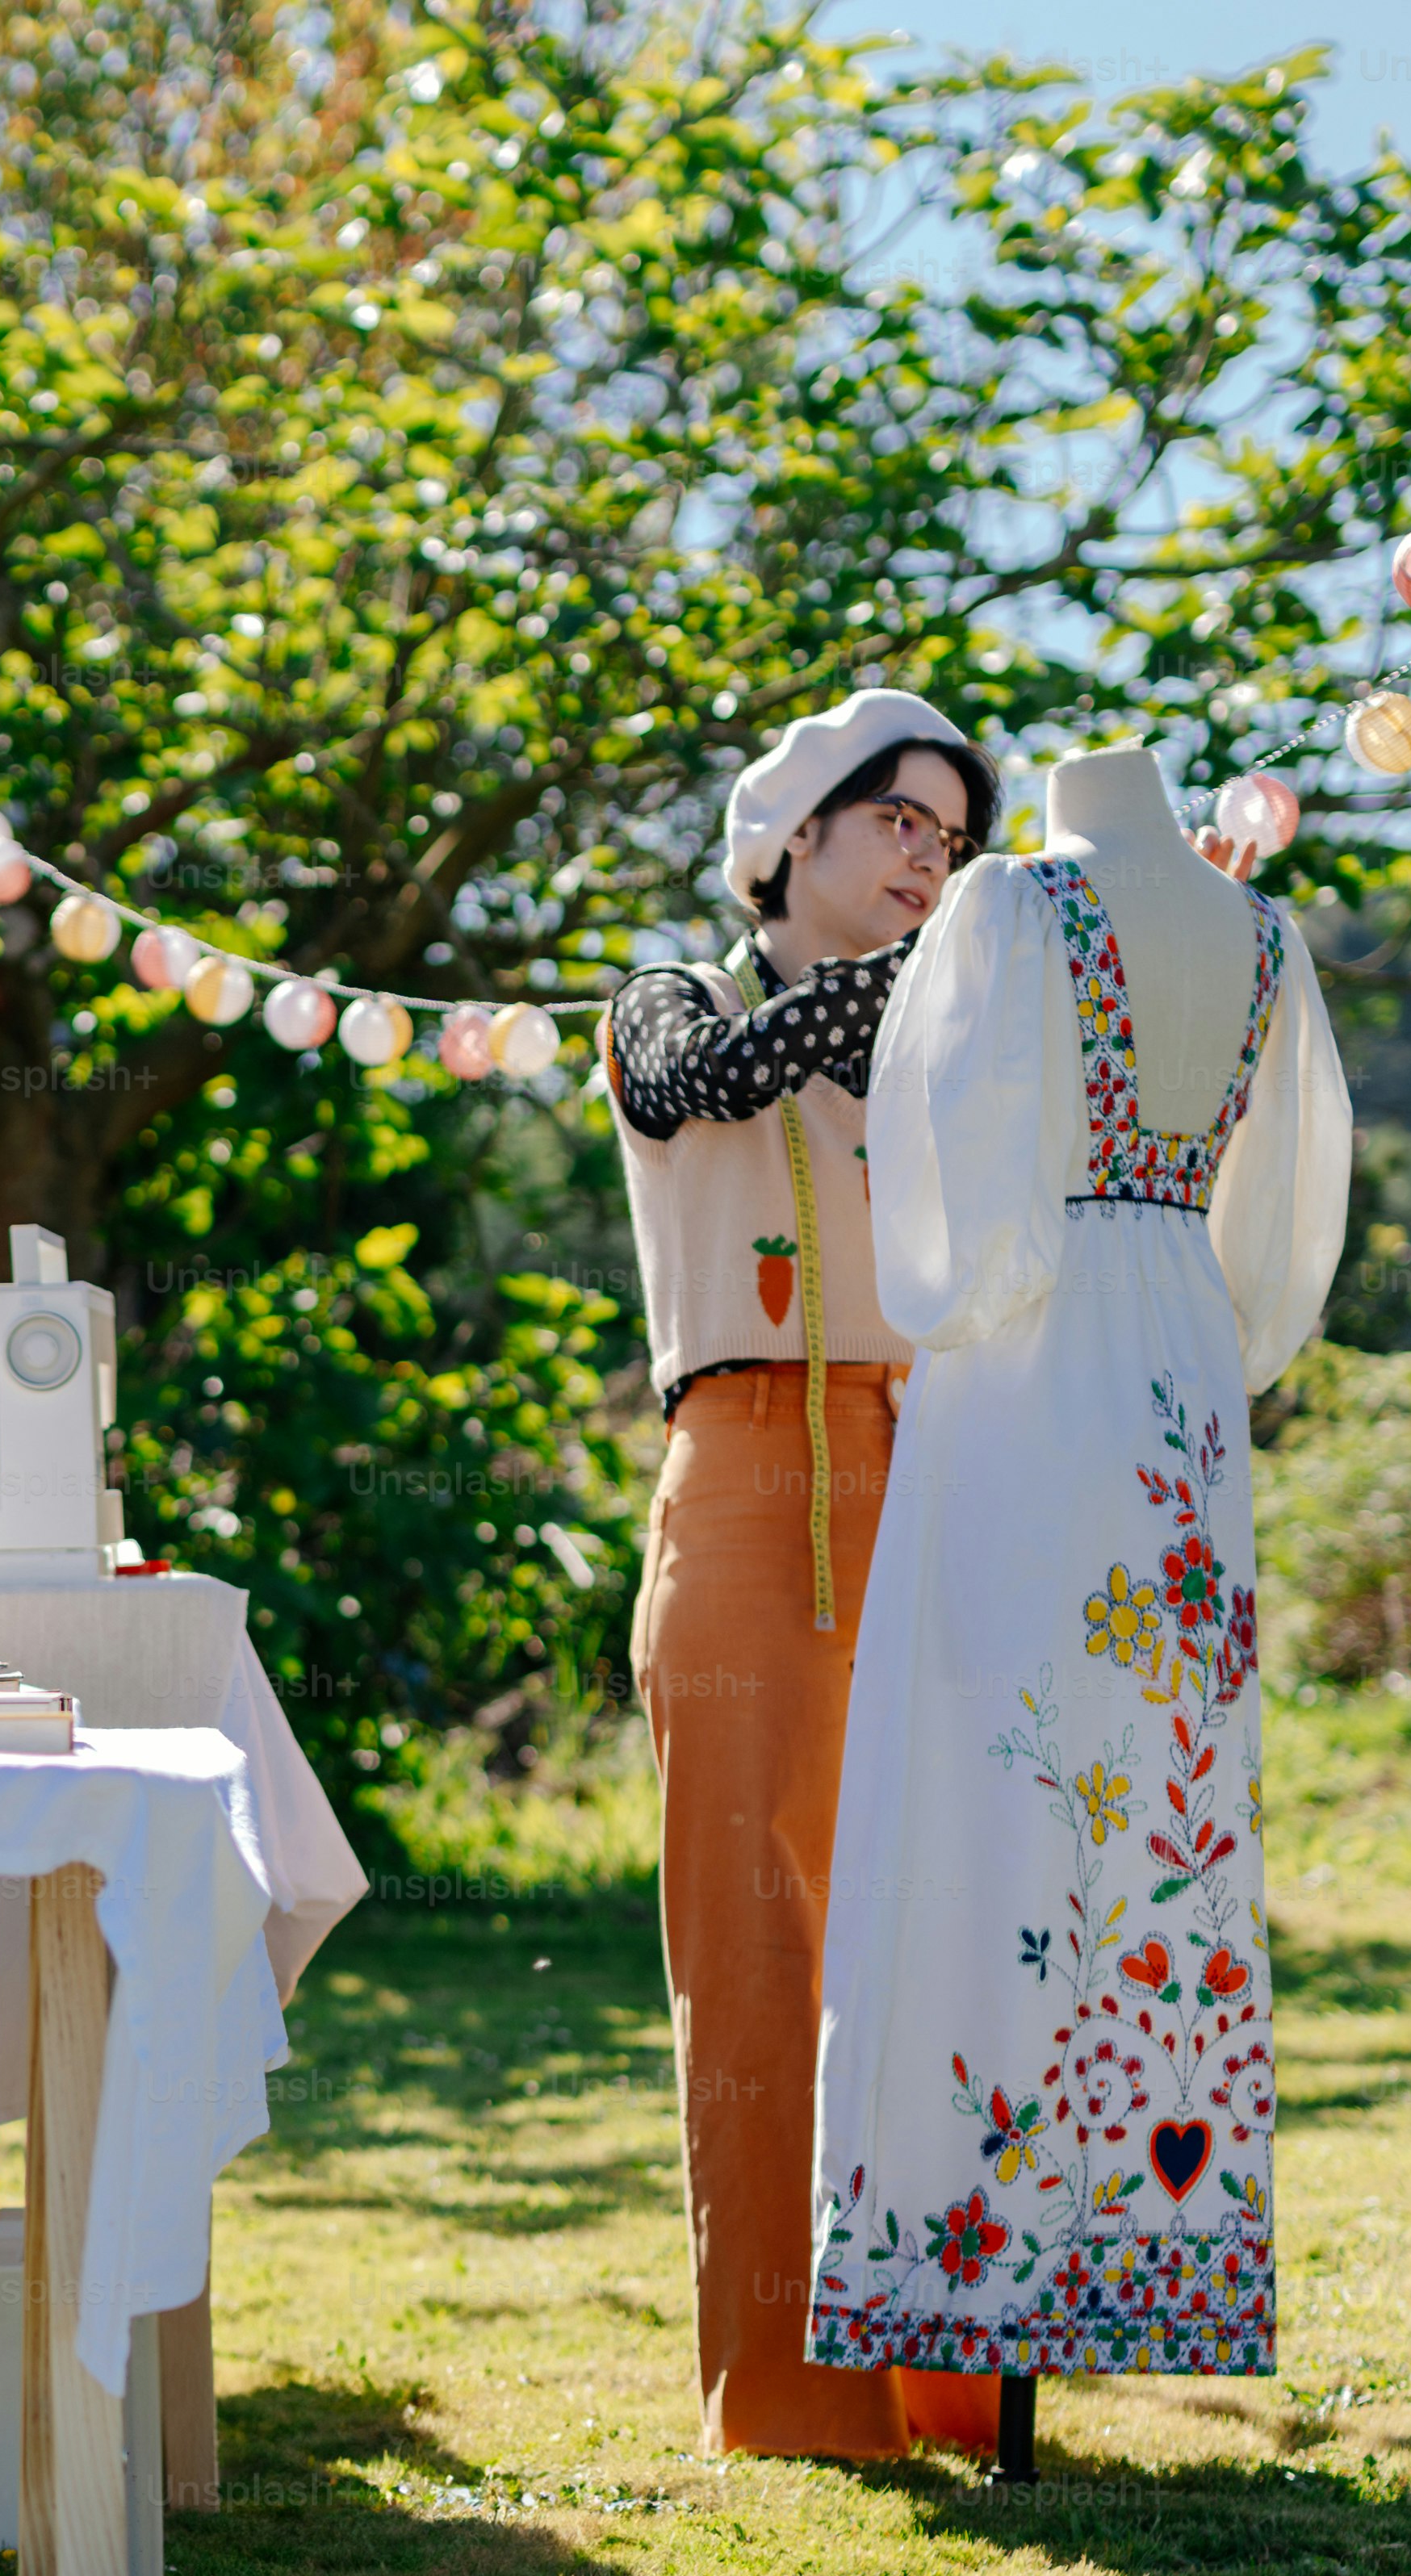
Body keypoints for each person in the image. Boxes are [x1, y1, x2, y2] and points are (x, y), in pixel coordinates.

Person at [802, 740, 1348, 2398]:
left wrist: (990, 1282)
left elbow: (943, 1192)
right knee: (1153, 1785)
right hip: (1176, 1361)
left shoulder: (1005, 905)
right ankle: (1130, 2246)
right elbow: (1290, 1215)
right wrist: (1197, 1299)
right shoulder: (1261, 938)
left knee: (983, 1778)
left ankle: (967, 2244)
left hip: (1024, 1369)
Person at [601, 686, 1003, 2461]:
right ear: (791, 837)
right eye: (899, 821)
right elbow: (704, 1081)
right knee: (755, 1952)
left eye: (949, 836)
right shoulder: (662, 997)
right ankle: (790, 2397)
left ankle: (957, 2372)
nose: (930, 857)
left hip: (935, 1466)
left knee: (940, 1925)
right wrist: (959, 987)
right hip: (748, 1473)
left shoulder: (958, 1038)